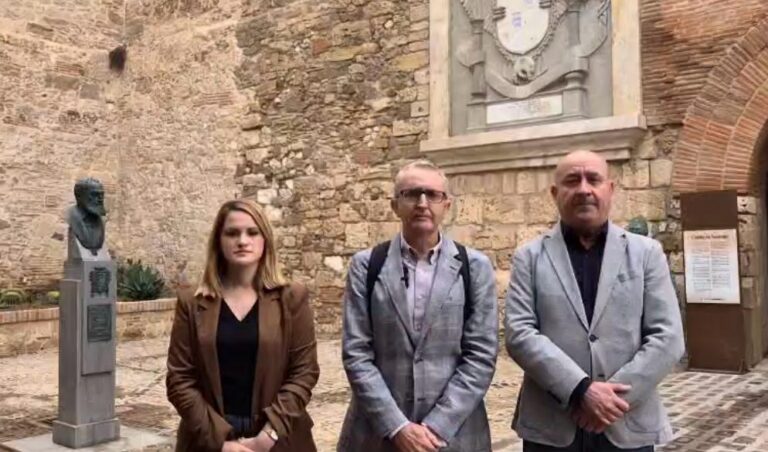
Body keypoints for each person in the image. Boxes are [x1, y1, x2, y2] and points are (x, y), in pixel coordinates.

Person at [505, 150, 685, 452]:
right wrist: (580, 390)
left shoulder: (646, 254)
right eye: (572, 180)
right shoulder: (530, 257)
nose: (584, 189)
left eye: (594, 179)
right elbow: (520, 334)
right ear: (554, 193)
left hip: (626, 421)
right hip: (551, 426)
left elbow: (668, 337)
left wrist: (611, 401)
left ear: (610, 189)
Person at [338, 160, 499, 452]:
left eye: (433, 194)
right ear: (394, 205)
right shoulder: (367, 266)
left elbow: (481, 355)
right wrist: (397, 427)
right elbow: (356, 353)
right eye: (411, 194)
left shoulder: (474, 267)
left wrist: (436, 426)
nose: (422, 203)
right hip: (378, 436)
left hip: (455, 436)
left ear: (446, 205)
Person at [166, 199, 319, 452]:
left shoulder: (292, 298)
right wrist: (221, 443)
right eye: (232, 233)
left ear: (265, 239)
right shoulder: (192, 302)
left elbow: (304, 373)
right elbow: (180, 379)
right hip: (208, 438)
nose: (242, 240)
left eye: (252, 232)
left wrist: (267, 436)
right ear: (219, 240)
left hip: (278, 438)